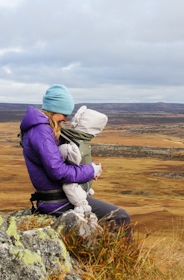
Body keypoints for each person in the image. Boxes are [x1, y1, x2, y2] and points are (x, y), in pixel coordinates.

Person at [20, 84, 131, 231]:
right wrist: (90, 170)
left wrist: (88, 172)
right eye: (64, 115)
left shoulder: (40, 128)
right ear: (55, 109)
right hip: (58, 200)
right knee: (120, 217)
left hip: (57, 196)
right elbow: (58, 171)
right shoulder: (41, 131)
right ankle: (116, 254)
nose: (65, 119)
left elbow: (58, 163)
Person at [58, 105, 108, 219]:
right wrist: (92, 170)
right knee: (120, 216)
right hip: (72, 192)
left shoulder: (78, 141)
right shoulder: (77, 145)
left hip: (79, 187)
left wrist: (92, 170)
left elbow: (80, 163)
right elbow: (65, 170)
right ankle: (81, 206)